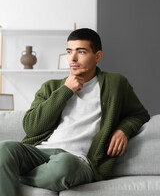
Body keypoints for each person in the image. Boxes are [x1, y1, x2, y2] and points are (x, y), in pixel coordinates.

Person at [0, 28, 150, 195]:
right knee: (4, 148)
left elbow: (139, 114)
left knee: (64, 166)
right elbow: (31, 127)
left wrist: (123, 130)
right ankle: (9, 172)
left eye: (81, 51)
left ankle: (10, 174)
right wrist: (65, 90)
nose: (72, 58)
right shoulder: (51, 87)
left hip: (77, 160)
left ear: (98, 56)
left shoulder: (115, 83)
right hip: (41, 152)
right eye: (69, 51)